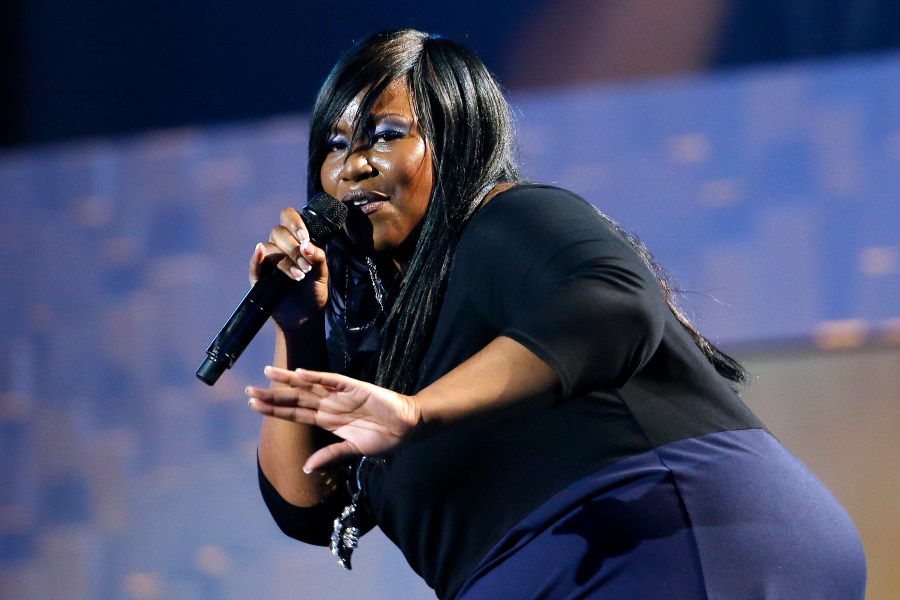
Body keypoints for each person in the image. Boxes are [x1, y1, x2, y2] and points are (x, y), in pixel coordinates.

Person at [243, 28, 866, 599]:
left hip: (661, 537)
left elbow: (615, 303)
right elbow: (309, 506)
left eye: (386, 135)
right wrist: (298, 329)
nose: (353, 165)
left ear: (457, 137)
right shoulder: (381, 345)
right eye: (336, 144)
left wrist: (420, 412)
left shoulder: (501, 220)